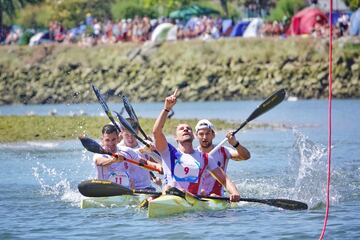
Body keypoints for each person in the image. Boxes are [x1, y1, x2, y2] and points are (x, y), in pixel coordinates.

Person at [152, 89, 241, 202]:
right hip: (170, 196)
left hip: (194, 201)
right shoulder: (168, 151)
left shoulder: (205, 157)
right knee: (168, 188)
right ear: (176, 137)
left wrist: (234, 193)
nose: (185, 129)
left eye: (188, 128)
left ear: (194, 136)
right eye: (181, 129)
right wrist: (166, 109)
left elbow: (224, 179)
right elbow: (156, 132)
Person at [195, 119, 250, 196]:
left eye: (208, 133)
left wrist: (235, 144)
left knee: (213, 195)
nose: (204, 137)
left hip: (217, 196)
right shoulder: (194, 154)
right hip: (198, 194)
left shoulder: (223, 151)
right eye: (201, 134)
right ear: (196, 136)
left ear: (213, 135)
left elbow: (246, 156)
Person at [118, 118, 161, 191]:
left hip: (147, 188)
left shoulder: (146, 144)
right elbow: (131, 153)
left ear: (137, 131)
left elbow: (161, 162)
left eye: (133, 135)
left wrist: (153, 151)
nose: (130, 138)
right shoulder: (118, 148)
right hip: (127, 190)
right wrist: (143, 150)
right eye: (127, 135)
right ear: (121, 132)